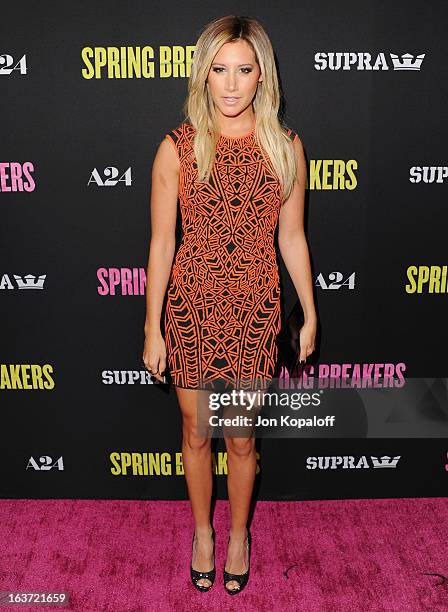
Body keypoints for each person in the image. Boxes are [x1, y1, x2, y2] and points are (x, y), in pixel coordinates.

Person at [143, 14, 317, 595]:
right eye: (220, 70)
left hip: (254, 311)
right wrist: (152, 327)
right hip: (192, 308)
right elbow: (162, 242)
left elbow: (292, 237)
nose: (233, 84)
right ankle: (202, 533)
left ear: (262, 75)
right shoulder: (177, 148)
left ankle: (239, 535)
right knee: (196, 433)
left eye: (244, 70)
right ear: (203, 75)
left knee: (240, 436)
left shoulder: (287, 149)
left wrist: (310, 310)